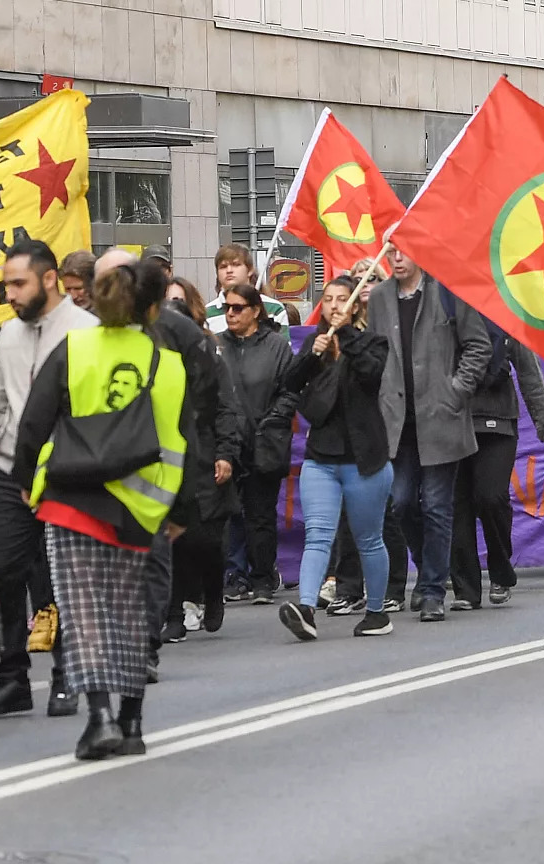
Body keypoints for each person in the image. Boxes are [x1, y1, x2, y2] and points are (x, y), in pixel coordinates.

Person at [14, 253, 194, 759]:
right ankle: (133, 721)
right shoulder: (168, 363)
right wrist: (182, 512)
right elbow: (187, 442)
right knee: (134, 615)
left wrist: (30, 485)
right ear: (153, 309)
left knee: (85, 614)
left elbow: (34, 425)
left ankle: (98, 718)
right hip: (144, 509)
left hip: (73, 499)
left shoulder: (72, 349)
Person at [0, 240, 97, 720]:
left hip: (65, 473)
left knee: (62, 578)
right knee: (5, 570)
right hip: (9, 469)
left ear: (49, 280)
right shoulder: (7, 334)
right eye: (6, 284)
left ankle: (67, 675)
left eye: (18, 284)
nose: (10, 294)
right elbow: (1, 402)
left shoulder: (88, 331)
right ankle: (12, 677)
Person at [91, 250, 225, 683]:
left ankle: (146, 643)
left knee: (154, 558)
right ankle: (103, 653)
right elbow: (42, 416)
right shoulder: (78, 342)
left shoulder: (173, 343)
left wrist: (184, 499)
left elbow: (200, 403)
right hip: (94, 476)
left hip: (154, 474)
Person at [366, 246, 490, 622]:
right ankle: (427, 569)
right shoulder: (380, 297)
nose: (397, 258)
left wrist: (455, 390)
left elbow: (479, 347)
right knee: (401, 502)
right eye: (391, 251)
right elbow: (375, 352)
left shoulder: (446, 291)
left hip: (440, 418)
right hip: (397, 420)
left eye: (405, 251)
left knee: (437, 506)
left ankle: (434, 590)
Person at [275, 275, 395, 640]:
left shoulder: (373, 342)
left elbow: (371, 374)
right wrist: (313, 355)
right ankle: (307, 607)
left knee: (368, 538)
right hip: (321, 458)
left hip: (364, 460)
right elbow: (289, 383)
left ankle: (376, 612)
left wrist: (345, 336)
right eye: (328, 299)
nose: (334, 305)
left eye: (343, 299)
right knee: (318, 535)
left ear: (356, 305)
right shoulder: (316, 342)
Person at [160, 277, 241, 641]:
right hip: (164, 458)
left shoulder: (209, 356)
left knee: (205, 538)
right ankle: (174, 612)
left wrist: (225, 453)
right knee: (172, 538)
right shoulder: (149, 356)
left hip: (204, 454)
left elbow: (225, 408)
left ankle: (212, 591)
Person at [451, 332, 544, 609]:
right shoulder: (443, 316)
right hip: (452, 422)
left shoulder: (505, 321)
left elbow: (528, 372)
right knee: (456, 506)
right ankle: (466, 590)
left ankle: (500, 570)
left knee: (491, 497)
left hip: (497, 421)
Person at [213, 282, 294, 605]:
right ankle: (235, 575)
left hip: (264, 439)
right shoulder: (218, 347)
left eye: (237, 308)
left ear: (255, 311)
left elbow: (290, 390)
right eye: (226, 308)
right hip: (229, 440)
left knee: (260, 512)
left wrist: (273, 420)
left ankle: (262, 576)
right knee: (231, 512)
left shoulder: (276, 346)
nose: (230, 314)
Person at [205, 244, 290, 332]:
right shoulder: (206, 313)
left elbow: (283, 344)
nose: (229, 270)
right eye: (223, 267)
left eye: (236, 264)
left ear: (250, 270)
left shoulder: (274, 308)